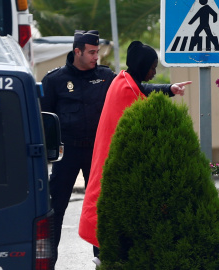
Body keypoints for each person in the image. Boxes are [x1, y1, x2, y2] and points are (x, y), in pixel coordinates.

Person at [40, 32, 189, 263]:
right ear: (77, 51)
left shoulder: (105, 76)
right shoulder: (55, 80)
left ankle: (104, 260)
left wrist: (169, 89)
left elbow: (138, 88)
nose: (95, 57)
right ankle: (46, 264)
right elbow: (44, 120)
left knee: (103, 207)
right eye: (91, 52)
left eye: (97, 52)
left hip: (96, 152)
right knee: (55, 211)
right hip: (67, 153)